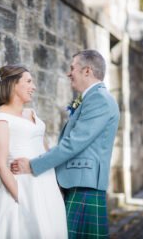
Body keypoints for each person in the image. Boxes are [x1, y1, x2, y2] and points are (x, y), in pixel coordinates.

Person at [11, 50, 120, 239]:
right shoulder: (93, 98)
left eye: (72, 68)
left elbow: (73, 144)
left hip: (85, 186)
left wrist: (32, 165)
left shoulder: (99, 100)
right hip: (79, 183)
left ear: (87, 71)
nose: (69, 73)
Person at [0, 65, 67, 239]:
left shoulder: (32, 113)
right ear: (14, 84)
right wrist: (21, 197)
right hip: (24, 189)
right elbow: (0, 164)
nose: (34, 87)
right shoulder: (0, 120)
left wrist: (55, 185)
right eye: (29, 81)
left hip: (47, 185)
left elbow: (45, 150)